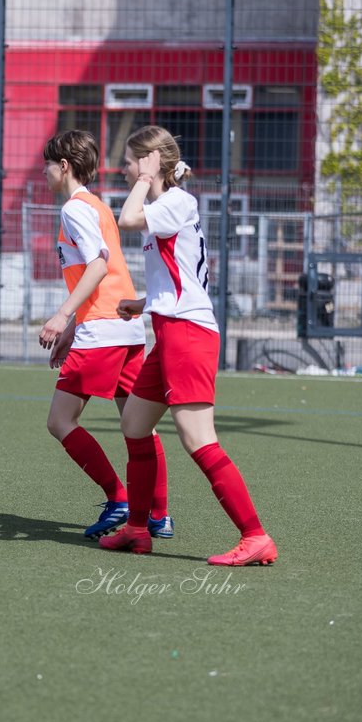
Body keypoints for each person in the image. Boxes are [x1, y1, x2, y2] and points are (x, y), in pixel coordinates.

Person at [99, 125, 277, 566]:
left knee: (199, 440)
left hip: (188, 336)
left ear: (150, 160)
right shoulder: (169, 204)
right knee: (135, 426)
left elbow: (127, 220)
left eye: (129, 160)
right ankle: (138, 530)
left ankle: (255, 536)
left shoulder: (176, 201)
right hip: (170, 331)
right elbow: (183, 275)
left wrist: (144, 179)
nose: (122, 168)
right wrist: (143, 303)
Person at [37, 130, 170, 540]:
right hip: (125, 328)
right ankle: (158, 515)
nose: (44, 172)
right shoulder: (98, 206)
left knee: (61, 421)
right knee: (138, 424)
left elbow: (96, 266)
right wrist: (74, 327)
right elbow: (107, 275)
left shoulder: (75, 209)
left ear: (63, 166)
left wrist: (63, 316)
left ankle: (119, 498)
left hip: (105, 331)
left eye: (48, 163)